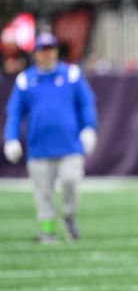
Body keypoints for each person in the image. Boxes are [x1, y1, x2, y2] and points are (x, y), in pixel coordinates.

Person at [3, 33, 98, 242]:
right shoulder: (26, 80)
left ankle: (69, 217)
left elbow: (86, 103)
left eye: (51, 49)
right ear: (36, 53)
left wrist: (89, 128)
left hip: (69, 143)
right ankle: (47, 229)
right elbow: (15, 112)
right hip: (39, 146)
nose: (47, 54)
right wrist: (10, 138)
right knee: (43, 191)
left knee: (71, 180)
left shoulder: (71, 74)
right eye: (43, 50)